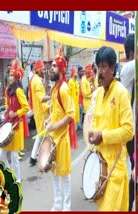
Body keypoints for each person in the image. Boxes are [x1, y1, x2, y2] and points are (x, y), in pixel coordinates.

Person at [88, 46, 133, 211]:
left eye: (104, 66)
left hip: (115, 166)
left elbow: (129, 131)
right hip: (100, 166)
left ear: (113, 68)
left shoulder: (121, 93)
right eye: (98, 67)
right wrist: (93, 134)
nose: (100, 71)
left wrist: (103, 136)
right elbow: (97, 125)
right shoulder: (99, 94)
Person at [44, 46, 75, 211]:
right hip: (53, 138)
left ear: (62, 70)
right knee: (54, 173)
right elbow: (56, 111)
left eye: (54, 66)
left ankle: (66, 206)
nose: (50, 68)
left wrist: (55, 125)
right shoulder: (54, 88)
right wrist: (48, 119)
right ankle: (57, 204)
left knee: (65, 175)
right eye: (51, 66)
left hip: (62, 139)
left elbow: (71, 114)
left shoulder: (64, 89)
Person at [0, 60, 30, 183]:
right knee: (0, 155)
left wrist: (15, 113)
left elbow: (26, 107)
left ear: (16, 77)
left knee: (15, 156)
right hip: (8, 123)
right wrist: (6, 110)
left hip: (16, 126)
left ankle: (18, 180)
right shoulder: (8, 90)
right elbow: (7, 104)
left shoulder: (19, 91)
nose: (9, 77)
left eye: (11, 75)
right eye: (9, 74)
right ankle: (11, 174)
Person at [119, 33, 135, 211]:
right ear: (132, 52)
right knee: (130, 169)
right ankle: (129, 205)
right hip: (129, 128)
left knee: (131, 167)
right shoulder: (129, 67)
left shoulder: (128, 68)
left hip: (132, 125)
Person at [28, 60, 51, 166]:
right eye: (43, 69)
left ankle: (33, 157)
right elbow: (40, 98)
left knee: (40, 135)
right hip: (41, 113)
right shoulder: (36, 81)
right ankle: (44, 157)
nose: (44, 71)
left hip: (40, 111)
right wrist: (51, 97)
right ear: (38, 70)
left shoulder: (36, 79)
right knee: (44, 135)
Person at [68, 66, 80, 131]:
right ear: (73, 73)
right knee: (73, 119)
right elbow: (69, 94)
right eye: (76, 72)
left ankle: (74, 131)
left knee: (76, 118)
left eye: (77, 72)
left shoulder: (77, 82)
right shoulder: (70, 82)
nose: (77, 74)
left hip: (76, 104)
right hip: (72, 104)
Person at [76, 66, 84, 131]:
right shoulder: (77, 80)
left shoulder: (82, 79)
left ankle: (80, 124)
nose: (82, 72)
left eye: (82, 71)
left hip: (82, 98)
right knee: (78, 112)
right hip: (77, 99)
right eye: (81, 71)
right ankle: (78, 125)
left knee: (81, 112)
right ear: (78, 72)